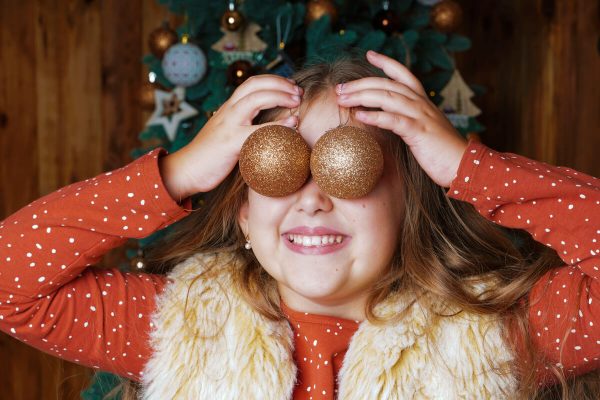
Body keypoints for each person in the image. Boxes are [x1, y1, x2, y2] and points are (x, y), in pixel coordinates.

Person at [0, 49, 598, 400]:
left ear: (409, 203)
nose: (312, 201)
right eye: (280, 170)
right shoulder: (179, 327)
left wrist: (468, 166)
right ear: (242, 212)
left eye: (351, 169)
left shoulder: (490, 338)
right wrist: (178, 173)